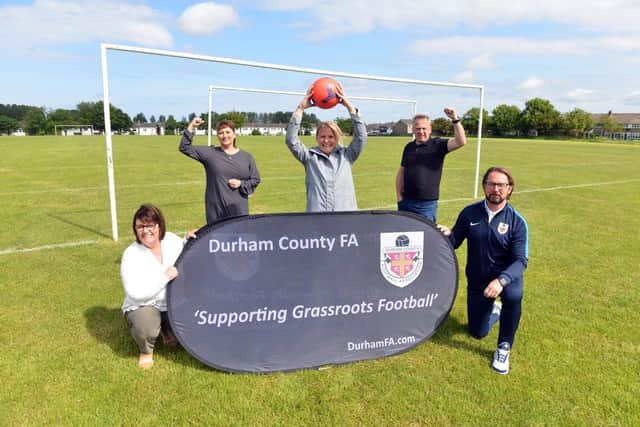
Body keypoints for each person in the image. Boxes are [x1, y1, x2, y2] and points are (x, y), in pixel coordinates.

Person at [437, 166, 529, 374]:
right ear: (484, 186)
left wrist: (501, 281)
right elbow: (455, 241)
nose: (495, 189)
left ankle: (503, 347)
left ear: (509, 189)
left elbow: (520, 261)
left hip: (506, 279)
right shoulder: (469, 212)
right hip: (478, 280)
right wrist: (446, 235)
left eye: (501, 185)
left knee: (514, 297)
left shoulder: (517, 222)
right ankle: (493, 310)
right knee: (477, 332)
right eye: (491, 184)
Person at [120, 204, 196, 369]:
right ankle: (146, 351)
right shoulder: (130, 255)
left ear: (159, 226)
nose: (145, 230)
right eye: (140, 226)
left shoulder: (170, 239)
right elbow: (135, 295)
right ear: (135, 229)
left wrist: (187, 240)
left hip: (171, 302)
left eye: (150, 225)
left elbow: (182, 251)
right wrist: (164, 278)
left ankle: (166, 330)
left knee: (192, 326)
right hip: (144, 305)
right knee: (146, 324)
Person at [285, 83, 367, 212]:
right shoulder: (309, 158)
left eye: (331, 136)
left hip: (346, 218)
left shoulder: (347, 156)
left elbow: (361, 137)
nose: (326, 140)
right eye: (322, 136)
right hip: (318, 220)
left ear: (337, 138)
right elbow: (291, 140)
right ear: (317, 138)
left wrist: (350, 108)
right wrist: (300, 108)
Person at [179, 117, 260, 224]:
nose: (225, 135)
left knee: (240, 237)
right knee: (217, 238)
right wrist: (192, 126)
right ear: (217, 136)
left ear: (234, 134)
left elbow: (255, 179)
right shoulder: (210, 153)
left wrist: (241, 183)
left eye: (228, 132)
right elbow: (184, 147)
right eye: (221, 133)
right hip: (216, 212)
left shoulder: (246, 157)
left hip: (239, 211)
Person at [396, 109, 467, 222]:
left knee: (426, 237)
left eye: (424, 128)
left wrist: (455, 119)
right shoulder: (409, 147)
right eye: (418, 128)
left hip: (426, 205)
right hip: (406, 202)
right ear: (413, 130)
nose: (421, 131)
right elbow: (401, 171)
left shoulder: (438, 145)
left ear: (430, 130)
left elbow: (461, 141)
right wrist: (399, 196)